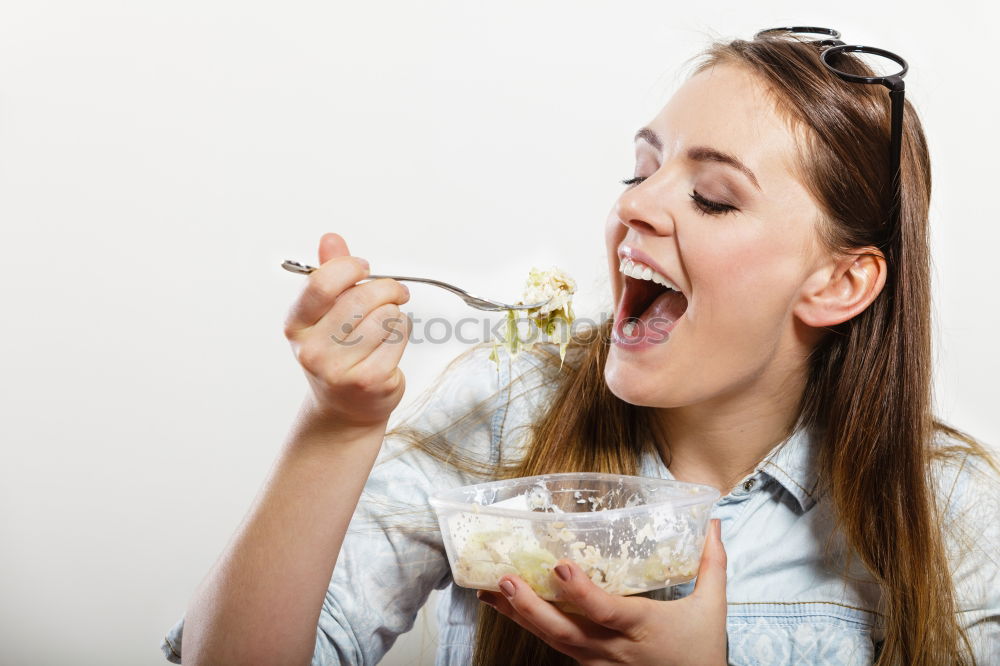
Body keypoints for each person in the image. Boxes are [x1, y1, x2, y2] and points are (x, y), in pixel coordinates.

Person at [161, 31, 1000, 666]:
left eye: (712, 198)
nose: (637, 208)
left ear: (838, 283)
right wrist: (334, 428)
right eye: (642, 172)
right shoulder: (507, 412)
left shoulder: (949, 511)